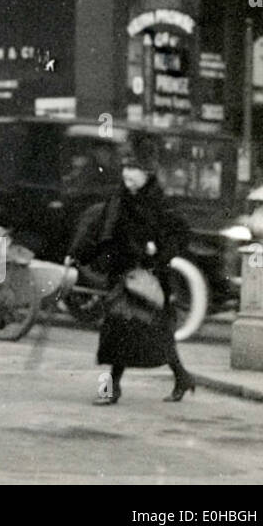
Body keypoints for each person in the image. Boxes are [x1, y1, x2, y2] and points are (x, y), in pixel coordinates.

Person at [67, 139, 195, 405]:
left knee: (148, 333)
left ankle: (125, 386)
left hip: (149, 278)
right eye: (125, 167)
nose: (127, 174)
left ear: (147, 172)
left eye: (133, 168)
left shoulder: (158, 202)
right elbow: (100, 231)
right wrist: (78, 254)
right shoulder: (119, 199)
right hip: (122, 274)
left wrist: (158, 252)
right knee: (124, 330)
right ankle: (173, 378)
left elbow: (180, 234)